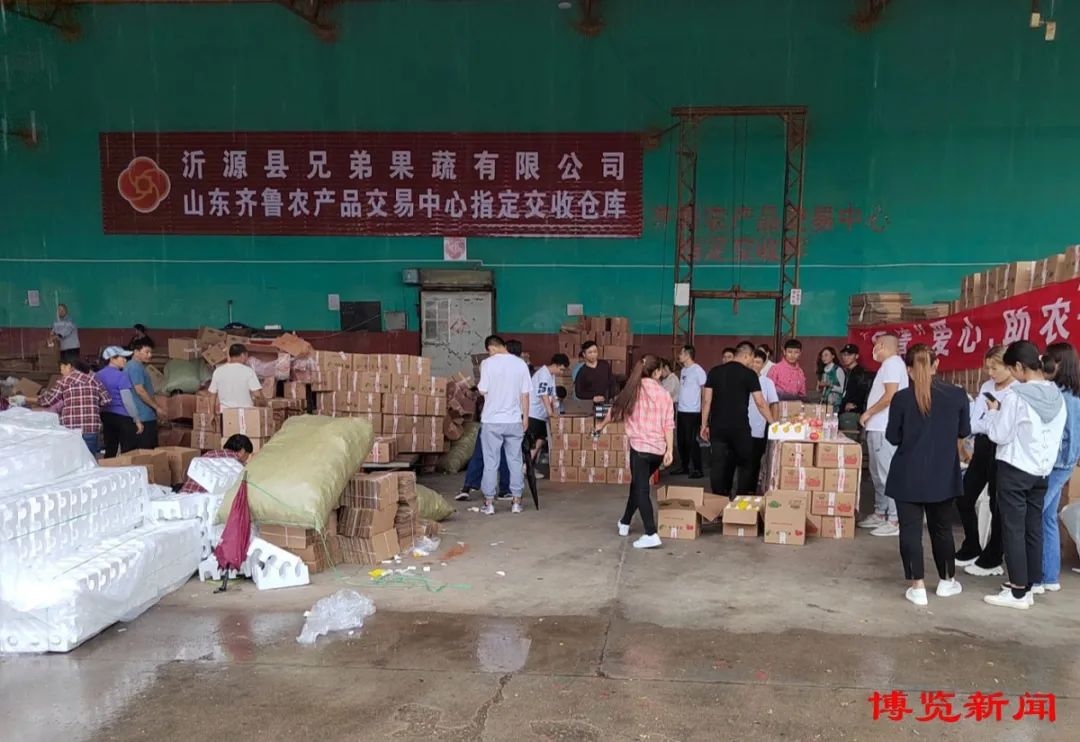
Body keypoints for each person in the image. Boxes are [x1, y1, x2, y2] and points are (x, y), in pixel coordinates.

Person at [982, 340, 1067, 610]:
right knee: (1033, 528)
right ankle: (1032, 583)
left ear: (1019, 367)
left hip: (1015, 469)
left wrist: (993, 414)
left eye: (1011, 369)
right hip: (1042, 472)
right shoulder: (1057, 395)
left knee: (1013, 529)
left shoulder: (1016, 397)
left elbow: (1000, 435)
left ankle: (1018, 591)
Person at [884, 344, 970, 606]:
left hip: (907, 473)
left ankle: (917, 586)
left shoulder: (901, 399)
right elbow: (964, 431)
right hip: (943, 473)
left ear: (908, 369)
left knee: (910, 530)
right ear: (936, 364)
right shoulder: (957, 395)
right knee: (942, 529)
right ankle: (946, 581)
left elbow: (893, 436)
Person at [598, 355, 674, 550]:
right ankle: (624, 522)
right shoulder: (664, 394)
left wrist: (601, 426)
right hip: (658, 452)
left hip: (639, 449)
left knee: (641, 490)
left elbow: (614, 411)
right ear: (656, 373)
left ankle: (651, 533)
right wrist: (670, 450)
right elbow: (669, 425)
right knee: (637, 486)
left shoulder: (632, 390)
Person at [957, 346, 1015, 576]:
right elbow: (975, 422)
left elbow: (1003, 428)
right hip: (982, 445)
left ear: (1009, 367)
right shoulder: (986, 387)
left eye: (995, 368)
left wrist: (990, 420)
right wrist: (992, 419)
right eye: (988, 367)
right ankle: (972, 544)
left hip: (1002, 450)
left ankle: (993, 555)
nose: (990, 373)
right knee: (964, 496)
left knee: (996, 504)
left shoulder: (1016, 390)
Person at [701, 341, 774, 497]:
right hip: (740, 428)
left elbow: (706, 401)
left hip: (718, 427)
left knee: (718, 464)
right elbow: (760, 403)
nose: (752, 362)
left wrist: (704, 425)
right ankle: (741, 498)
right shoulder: (749, 374)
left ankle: (719, 499)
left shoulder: (714, 371)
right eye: (752, 358)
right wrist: (773, 423)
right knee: (746, 464)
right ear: (746, 355)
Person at [1035, 342, 1080, 594]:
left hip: (1057, 464)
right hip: (1061, 463)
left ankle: (1035, 579)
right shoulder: (1067, 393)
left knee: (1035, 515)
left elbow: (1070, 438)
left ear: (1061, 364)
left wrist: (1059, 461)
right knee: (1047, 517)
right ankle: (1049, 576)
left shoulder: (1065, 397)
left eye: (1050, 360)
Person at [858, 333, 908, 536]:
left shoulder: (892, 364)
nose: (874, 351)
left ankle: (895, 519)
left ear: (881, 345)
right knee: (877, 473)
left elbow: (890, 396)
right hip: (877, 427)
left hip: (884, 427)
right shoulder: (889, 365)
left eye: (875, 346)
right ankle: (881, 512)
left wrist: (869, 412)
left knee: (887, 474)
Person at [477, 335, 531, 515]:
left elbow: (482, 390)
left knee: (491, 461)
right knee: (515, 460)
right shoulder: (520, 364)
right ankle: (516, 502)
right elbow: (525, 394)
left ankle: (489, 503)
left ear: (491, 348)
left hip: (491, 421)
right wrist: (525, 419)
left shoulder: (487, 364)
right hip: (514, 420)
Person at [37, 359, 111, 455]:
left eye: (61, 368)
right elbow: (107, 400)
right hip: (91, 427)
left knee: (72, 458)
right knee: (89, 459)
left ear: (68, 366)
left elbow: (47, 401)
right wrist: (93, 404)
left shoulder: (64, 381)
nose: (61, 372)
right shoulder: (94, 380)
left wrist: (35, 398)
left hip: (71, 428)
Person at [95, 346, 143, 457]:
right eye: (122, 357)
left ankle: (107, 467)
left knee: (110, 448)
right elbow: (127, 400)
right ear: (112, 359)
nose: (125, 360)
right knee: (128, 451)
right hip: (123, 416)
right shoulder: (121, 376)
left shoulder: (98, 375)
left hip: (105, 415)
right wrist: (137, 419)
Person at [744, 349, 780, 490]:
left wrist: (774, 425)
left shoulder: (767, 382)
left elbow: (774, 403)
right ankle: (740, 489)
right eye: (752, 361)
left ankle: (751, 490)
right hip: (741, 427)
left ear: (763, 364)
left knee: (755, 461)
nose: (754, 364)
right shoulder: (742, 379)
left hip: (759, 428)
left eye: (758, 362)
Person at [528, 353, 570, 469]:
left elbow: (553, 396)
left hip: (541, 415)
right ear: (556, 365)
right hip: (533, 414)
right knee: (533, 442)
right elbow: (544, 394)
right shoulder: (543, 374)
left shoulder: (551, 376)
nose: (561, 372)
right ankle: (526, 466)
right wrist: (550, 412)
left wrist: (556, 410)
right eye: (561, 369)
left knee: (541, 439)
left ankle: (529, 466)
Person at [178, 434, 254, 493]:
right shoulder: (238, 466)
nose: (247, 459)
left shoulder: (210, 454)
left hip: (183, 494)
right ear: (242, 451)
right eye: (247, 455)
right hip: (203, 503)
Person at [673, 345, 707, 478]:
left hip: (692, 411)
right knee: (681, 440)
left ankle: (698, 469)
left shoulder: (698, 370)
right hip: (681, 410)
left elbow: (704, 391)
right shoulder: (683, 371)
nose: (679, 356)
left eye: (681, 353)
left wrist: (703, 409)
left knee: (692, 441)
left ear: (687, 355)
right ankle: (684, 466)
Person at [126, 338, 163, 449]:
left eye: (151, 352)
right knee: (146, 452)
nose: (150, 355)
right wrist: (156, 407)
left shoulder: (136, 366)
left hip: (142, 415)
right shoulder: (135, 367)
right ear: (136, 352)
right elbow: (140, 390)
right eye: (147, 352)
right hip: (143, 416)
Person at [209, 344, 264, 411]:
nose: (247, 358)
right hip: (245, 412)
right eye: (247, 355)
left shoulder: (218, 371)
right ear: (243, 355)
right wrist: (265, 405)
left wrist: (212, 413)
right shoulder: (248, 371)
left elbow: (212, 395)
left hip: (225, 413)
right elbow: (257, 395)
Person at [839, 343, 872, 412]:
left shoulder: (861, 372)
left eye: (849, 355)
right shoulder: (848, 371)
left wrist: (855, 404)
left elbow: (864, 391)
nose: (846, 357)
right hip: (844, 409)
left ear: (856, 356)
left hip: (854, 411)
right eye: (844, 354)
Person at [816, 346, 846, 412]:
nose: (824, 358)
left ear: (833, 356)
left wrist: (830, 385)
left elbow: (843, 390)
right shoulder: (822, 371)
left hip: (834, 404)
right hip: (823, 403)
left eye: (826, 355)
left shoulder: (838, 369)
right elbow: (818, 390)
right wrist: (820, 386)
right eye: (822, 356)